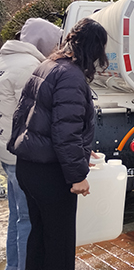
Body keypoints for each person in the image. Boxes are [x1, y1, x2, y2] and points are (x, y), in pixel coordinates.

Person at [8, 18, 108, 268]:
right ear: (94, 49)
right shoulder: (71, 76)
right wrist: (77, 176)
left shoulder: (47, 66)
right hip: (51, 174)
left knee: (39, 237)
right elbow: (65, 132)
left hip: (28, 166)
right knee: (59, 243)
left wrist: (82, 151)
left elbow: (26, 117)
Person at [0, 18, 62, 270]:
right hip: (21, 152)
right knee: (28, 218)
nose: (56, 49)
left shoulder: (6, 60)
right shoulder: (31, 67)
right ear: (42, 42)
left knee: (17, 215)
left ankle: (14, 266)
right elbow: (36, 117)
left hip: (5, 149)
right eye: (54, 43)